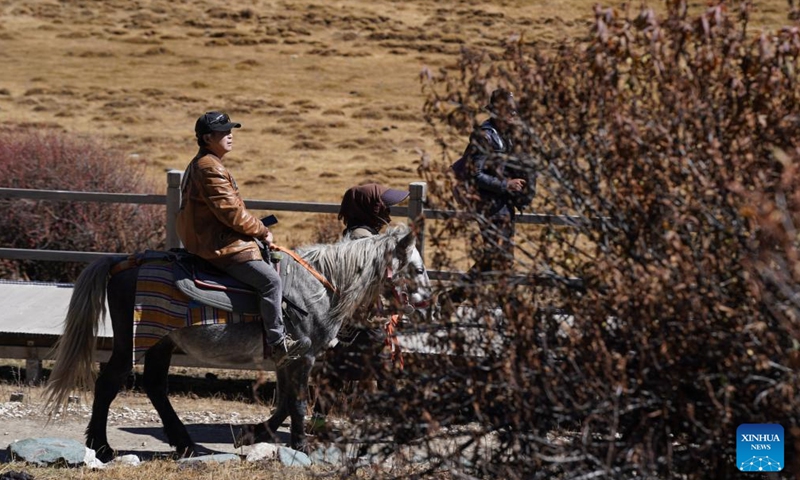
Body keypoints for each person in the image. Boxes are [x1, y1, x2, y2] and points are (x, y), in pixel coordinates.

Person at [175, 111, 309, 367]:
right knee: (270, 281)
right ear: (207, 137)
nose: (230, 135)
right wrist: (261, 230)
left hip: (214, 239)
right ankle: (278, 343)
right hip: (220, 246)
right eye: (224, 132)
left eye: (230, 130)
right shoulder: (209, 167)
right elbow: (232, 214)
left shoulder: (205, 163)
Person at [311, 183, 409, 431]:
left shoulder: (358, 234)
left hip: (354, 320)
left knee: (339, 370)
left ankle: (319, 420)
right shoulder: (361, 239)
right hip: (362, 319)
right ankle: (401, 424)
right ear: (371, 209)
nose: (388, 213)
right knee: (382, 369)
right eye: (384, 207)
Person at [448, 89, 531, 303]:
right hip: (490, 208)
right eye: (510, 111)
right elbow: (474, 175)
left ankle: (454, 299)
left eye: (515, 111)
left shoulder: (506, 136)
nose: (514, 115)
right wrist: (506, 184)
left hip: (503, 207)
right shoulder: (485, 136)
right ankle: (510, 310)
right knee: (500, 260)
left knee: (496, 260)